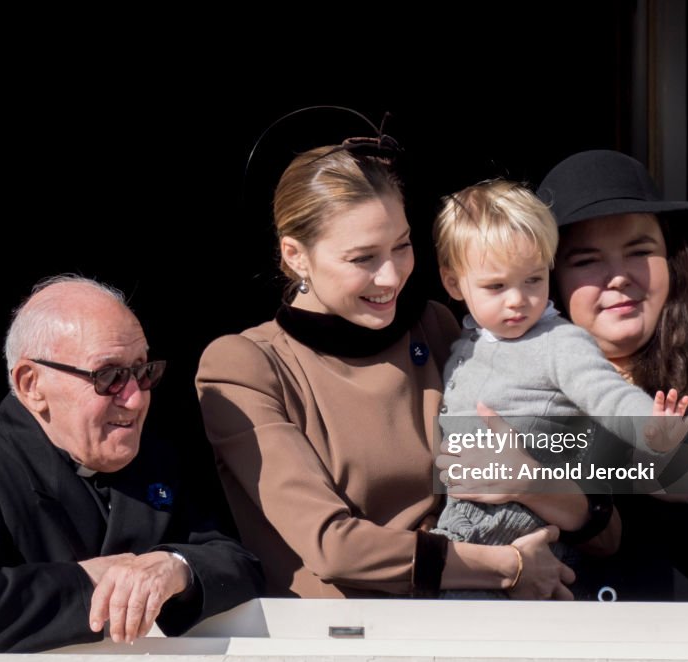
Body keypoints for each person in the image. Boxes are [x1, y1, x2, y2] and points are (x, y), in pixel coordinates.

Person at [196, 138, 583, 601]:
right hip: (341, 650)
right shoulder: (245, 364)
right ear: (296, 255)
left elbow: (570, 460)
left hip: (478, 627)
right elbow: (333, 546)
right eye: (363, 258)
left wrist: (540, 485)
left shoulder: (437, 326)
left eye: (401, 246)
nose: (391, 276)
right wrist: (506, 567)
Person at [0, 275, 264, 652]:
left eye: (143, 371)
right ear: (31, 384)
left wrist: (175, 567)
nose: (136, 399)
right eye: (109, 377)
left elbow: (241, 564)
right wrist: (100, 581)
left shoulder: (161, 457)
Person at [430, 179, 688, 597]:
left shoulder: (560, 342)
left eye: (533, 280)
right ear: (453, 284)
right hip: (465, 533)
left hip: (523, 536)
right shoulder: (464, 344)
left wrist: (651, 430)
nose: (518, 300)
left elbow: (608, 394)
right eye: (496, 286)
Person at [537, 149, 688, 601]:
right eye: (587, 260)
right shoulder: (518, 401)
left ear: (672, 262)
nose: (618, 277)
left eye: (640, 251)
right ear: (549, 283)